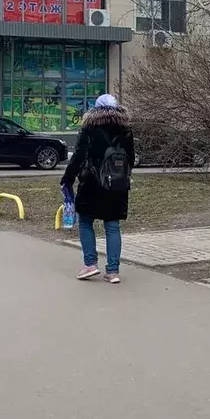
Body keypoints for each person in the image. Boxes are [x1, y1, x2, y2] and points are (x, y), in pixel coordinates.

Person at [60, 93, 134, 284]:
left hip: (91, 183)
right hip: (117, 184)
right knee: (112, 225)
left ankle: (90, 264)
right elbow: (131, 159)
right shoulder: (125, 129)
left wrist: (67, 179)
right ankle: (113, 271)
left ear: (96, 108)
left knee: (85, 221)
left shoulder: (89, 127)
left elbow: (78, 156)